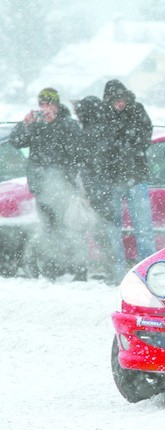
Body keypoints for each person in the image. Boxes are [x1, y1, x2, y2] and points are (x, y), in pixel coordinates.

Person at [9, 87, 86, 279]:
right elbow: (16, 141)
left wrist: (55, 125)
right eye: (42, 104)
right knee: (48, 229)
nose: (45, 108)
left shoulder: (68, 124)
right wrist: (24, 125)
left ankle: (79, 269)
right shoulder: (36, 124)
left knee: (68, 228)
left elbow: (76, 150)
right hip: (41, 187)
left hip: (63, 186)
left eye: (49, 103)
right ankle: (53, 266)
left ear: (57, 105)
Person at [100, 79, 155, 277]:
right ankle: (119, 272)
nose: (120, 103)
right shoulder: (103, 115)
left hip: (136, 177)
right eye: (116, 100)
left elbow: (145, 137)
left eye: (122, 99)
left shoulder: (137, 110)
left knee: (144, 228)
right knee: (113, 228)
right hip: (113, 179)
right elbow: (101, 144)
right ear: (109, 100)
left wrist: (126, 148)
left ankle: (147, 270)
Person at [74, 95, 117, 280]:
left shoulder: (90, 132)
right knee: (103, 230)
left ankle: (110, 269)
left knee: (99, 230)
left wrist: (92, 191)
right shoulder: (104, 129)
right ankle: (111, 269)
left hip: (97, 189)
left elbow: (91, 164)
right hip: (102, 188)